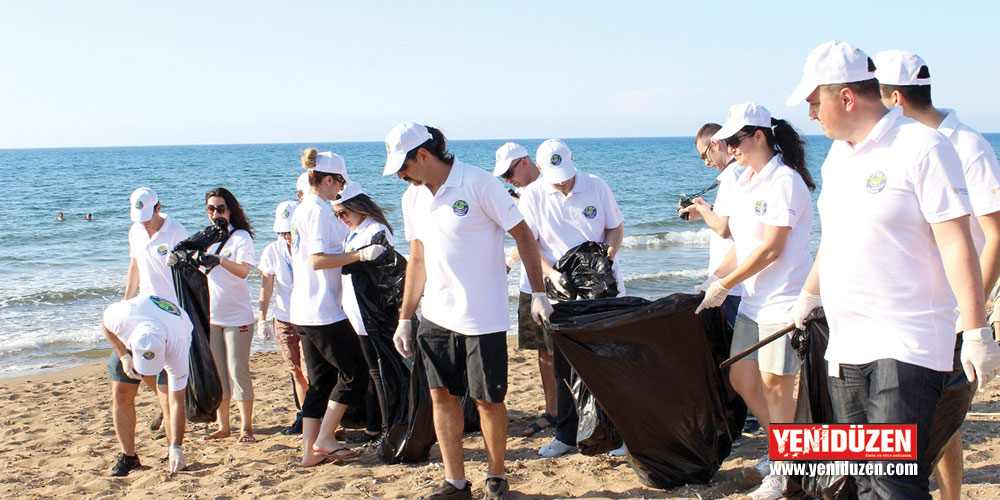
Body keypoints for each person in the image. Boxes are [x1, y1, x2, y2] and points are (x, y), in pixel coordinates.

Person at [786, 40, 1000, 499]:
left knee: (894, 480)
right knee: (862, 479)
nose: (810, 114)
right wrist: (808, 296)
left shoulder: (922, 146)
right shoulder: (840, 155)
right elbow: (838, 237)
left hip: (908, 340)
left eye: (813, 101)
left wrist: (978, 331)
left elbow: (956, 240)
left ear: (845, 97)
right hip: (847, 344)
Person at [384, 122, 552, 500]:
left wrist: (539, 294)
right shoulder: (412, 199)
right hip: (436, 316)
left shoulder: (479, 184)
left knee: (487, 399)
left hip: (483, 315)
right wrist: (406, 317)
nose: (399, 175)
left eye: (403, 166)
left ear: (423, 155)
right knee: (441, 396)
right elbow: (418, 257)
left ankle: (496, 477)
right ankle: (456, 482)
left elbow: (523, 235)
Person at [875, 49, 1000, 500]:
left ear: (894, 98)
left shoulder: (967, 144)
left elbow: (995, 233)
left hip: (953, 310)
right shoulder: (904, 147)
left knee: (944, 415)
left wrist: (973, 318)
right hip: (915, 308)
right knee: (931, 414)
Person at [695, 102, 815, 500]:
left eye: (735, 139)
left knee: (777, 388)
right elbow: (741, 245)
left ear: (759, 136)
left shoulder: (785, 181)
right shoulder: (745, 180)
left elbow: (771, 250)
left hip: (784, 302)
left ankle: (785, 473)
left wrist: (726, 283)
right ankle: (788, 453)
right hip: (753, 301)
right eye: (727, 141)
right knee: (742, 378)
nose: (730, 147)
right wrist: (714, 281)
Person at [515, 138, 626, 459]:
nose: (562, 181)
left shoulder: (596, 185)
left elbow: (615, 228)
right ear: (539, 169)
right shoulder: (533, 195)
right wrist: (553, 276)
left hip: (601, 289)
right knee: (563, 367)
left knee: (604, 362)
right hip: (561, 292)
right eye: (554, 174)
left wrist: (610, 251)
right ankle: (566, 434)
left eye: (565, 172)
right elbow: (530, 244)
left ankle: (615, 434)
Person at [289, 148, 384, 467]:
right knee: (355, 372)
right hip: (322, 311)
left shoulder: (304, 208)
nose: (341, 189)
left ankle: (308, 455)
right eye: (339, 181)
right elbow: (317, 260)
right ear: (327, 179)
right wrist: (360, 256)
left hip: (303, 309)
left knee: (320, 382)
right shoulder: (315, 211)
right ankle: (325, 438)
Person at [493, 142, 555, 438]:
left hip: (551, 282)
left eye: (509, 172)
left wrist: (507, 261)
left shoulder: (548, 187)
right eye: (503, 177)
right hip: (530, 283)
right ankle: (553, 411)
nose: (508, 180)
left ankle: (560, 411)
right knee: (542, 352)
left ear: (524, 162)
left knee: (557, 352)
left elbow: (530, 238)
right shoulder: (525, 194)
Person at [102, 295, 192, 476]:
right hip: (136, 327)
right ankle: (128, 456)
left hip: (169, 329)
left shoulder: (178, 343)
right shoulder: (121, 319)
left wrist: (177, 447)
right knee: (121, 392)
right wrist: (124, 356)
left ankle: (172, 449)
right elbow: (106, 324)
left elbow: (177, 402)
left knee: (167, 397)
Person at [122, 187, 188, 435]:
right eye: (139, 217)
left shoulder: (176, 230)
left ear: (158, 208)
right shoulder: (135, 231)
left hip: (172, 309)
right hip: (144, 307)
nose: (144, 223)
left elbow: (188, 270)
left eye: (148, 216)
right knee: (142, 365)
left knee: (170, 366)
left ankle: (170, 411)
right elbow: (134, 267)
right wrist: (126, 302)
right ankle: (166, 402)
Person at [334, 181, 396, 444]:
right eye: (337, 215)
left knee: (378, 370)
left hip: (373, 314)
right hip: (356, 312)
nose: (341, 219)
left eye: (344, 213)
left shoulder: (376, 230)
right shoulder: (354, 233)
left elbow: (384, 272)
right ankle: (374, 425)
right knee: (370, 369)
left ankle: (384, 427)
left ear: (358, 206)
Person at [201, 187, 258, 444]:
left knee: (238, 371)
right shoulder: (205, 237)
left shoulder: (240, 237)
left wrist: (220, 260)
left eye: (220, 208)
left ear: (230, 210)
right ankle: (224, 426)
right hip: (212, 316)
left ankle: (246, 428)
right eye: (211, 209)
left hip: (238, 317)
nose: (216, 214)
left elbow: (243, 271)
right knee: (219, 374)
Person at [681, 124, 744, 329]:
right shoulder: (741, 172)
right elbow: (738, 222)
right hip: (735, 281)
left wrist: (704, 212)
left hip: (732, 286)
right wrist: (709, 209)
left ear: (715, 144)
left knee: (735, 348)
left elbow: (723, 229)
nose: (706, 163)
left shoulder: (731, 176)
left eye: (703, 156)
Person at [257, 200, 309, 436]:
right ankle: (305, 416)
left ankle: (318, 416)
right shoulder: (272, 251)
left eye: (290, 231)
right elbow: (267, 286)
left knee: (312, 371)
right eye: (283, 232)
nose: (287, 236)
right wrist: (262, 318)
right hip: (285, 317)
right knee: (295, 369)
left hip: (310, 316)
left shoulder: (308, 245)